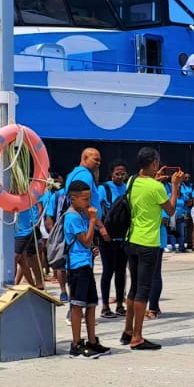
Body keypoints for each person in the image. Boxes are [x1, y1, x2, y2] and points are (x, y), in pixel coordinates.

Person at [121, 148, 181, 350]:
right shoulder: (157, 188)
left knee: (134, 287)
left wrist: (155, 179)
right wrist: (174, 186)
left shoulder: (131, 181)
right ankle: (137, 336)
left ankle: (128, 330)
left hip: (132, 238)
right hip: (149, 241)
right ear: (154, 163)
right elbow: (171, 210)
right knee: (143, 290)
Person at [61, 178, 109, 357]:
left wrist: (92, 248)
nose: (88, 203)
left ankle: (92, 339)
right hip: (77, 266)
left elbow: (86, 243)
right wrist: (93, 221)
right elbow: (86, 240)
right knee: (77, 305)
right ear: (73, 198)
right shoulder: (72, 217)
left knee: (91, 303)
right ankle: (75, 343)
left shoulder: (80, 214)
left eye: (89, 199)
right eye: (85, 199)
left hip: (85, 263)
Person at [98, 164, 129, 317]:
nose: (120, 177)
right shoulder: (103, 189)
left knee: (121, 272)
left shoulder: (128, 188)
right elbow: (96, 211)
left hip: (122, 237)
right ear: (111, 174)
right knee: (108, 271)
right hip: (107, 238)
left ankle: (119, 304)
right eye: (117, 174)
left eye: (122, 174)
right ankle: (104, 306)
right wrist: (102, 230)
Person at [13, 192, 45, 289]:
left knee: (19, 256)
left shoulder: (32, 192)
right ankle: (32, 284)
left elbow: (40, 208)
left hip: (27, 228)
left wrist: (36, 224)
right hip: (20, 227)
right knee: (24, 257)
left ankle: (16, 283)